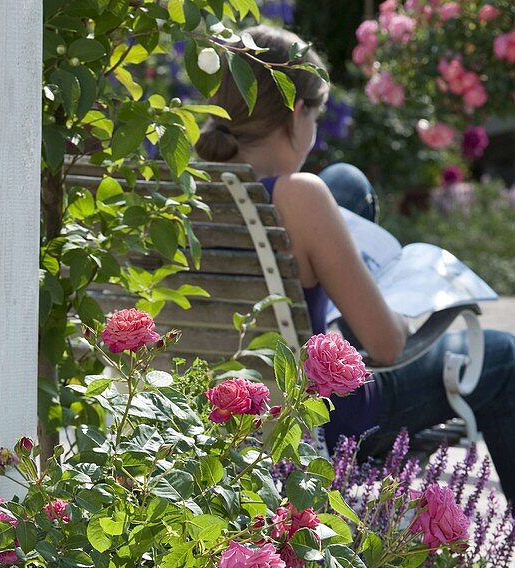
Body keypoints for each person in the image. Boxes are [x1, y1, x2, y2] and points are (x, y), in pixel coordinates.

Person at [196, 25, 515, 503]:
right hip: (321, 414)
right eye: (317, 115)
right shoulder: (300, 197)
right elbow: (386, 348)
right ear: (298, 112)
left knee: (345, 183)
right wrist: (399, 305)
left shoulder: (181, 190)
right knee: (505, 356)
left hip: (218, 399)